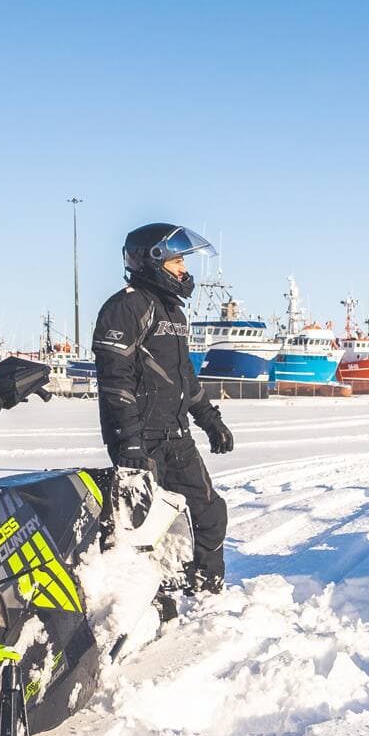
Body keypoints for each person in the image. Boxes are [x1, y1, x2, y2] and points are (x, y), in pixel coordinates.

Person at [93, 223, 235, 592]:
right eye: (176, 261)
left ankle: (206, 587)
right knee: (142, 528)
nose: (183, 270)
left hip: (177, 436)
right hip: (141, 439)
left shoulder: (173, 312)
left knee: (209, 512)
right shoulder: (126, 306)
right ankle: (137, 597)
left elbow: (184, 375)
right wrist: (130, 440)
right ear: (151, 260)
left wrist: (210, 420)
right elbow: (115, 379)